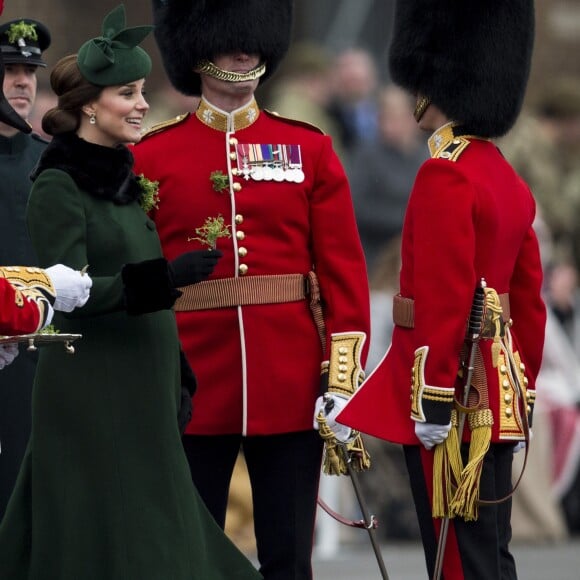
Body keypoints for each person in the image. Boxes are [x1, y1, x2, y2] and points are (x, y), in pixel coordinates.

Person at [0, 5, 262, 579]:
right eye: (128, 93)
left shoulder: (121, 177)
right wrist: (165, 279)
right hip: (95, 389)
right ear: (90, 105)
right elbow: (66, 295)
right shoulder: (59, 184)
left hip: (143, 381)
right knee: (124, 538)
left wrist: (177, 369)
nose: (142, 104)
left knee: (158, 531)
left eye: (142, 91)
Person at [133, 1, 371, 578]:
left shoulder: (308, 147)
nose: (242, 50)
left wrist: (342, 379)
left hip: (289, 381)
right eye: (226, 41)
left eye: (251, 40)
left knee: (289, 556)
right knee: (191, 554)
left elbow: (342, 270)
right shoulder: (150, 155)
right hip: (191, 383)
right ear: (198, 48)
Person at [338, 2, 546, 579]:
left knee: (457, 559)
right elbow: (527, 300)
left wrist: (431, 396)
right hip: (496, 394)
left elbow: (444, 295)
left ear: (437, 88)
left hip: (454, 400)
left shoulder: (445, 171)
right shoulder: (502, 172)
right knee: (489, 551)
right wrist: (520, 396)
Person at [0, 16, 52, 520]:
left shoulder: (51, 165)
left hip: (37, 358)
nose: (23, 81)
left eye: (30, 71)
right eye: (9, 69)